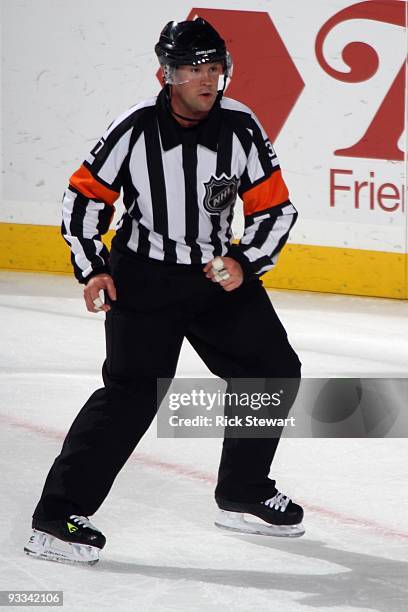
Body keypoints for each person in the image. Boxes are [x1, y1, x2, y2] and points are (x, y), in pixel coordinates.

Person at [24, 17, 304, 565]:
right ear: (166, 73)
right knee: (132, 394)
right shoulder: (133, 127)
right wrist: (94, 268)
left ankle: (242, 492)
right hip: (144, 279)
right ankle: (56, 518)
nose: (206, 79)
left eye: (215, 67)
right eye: (193, 68)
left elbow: (276, 208)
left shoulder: (241, 125)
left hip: (214, 277)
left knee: (271, 368)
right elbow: (83, 199)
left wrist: (244, 263)